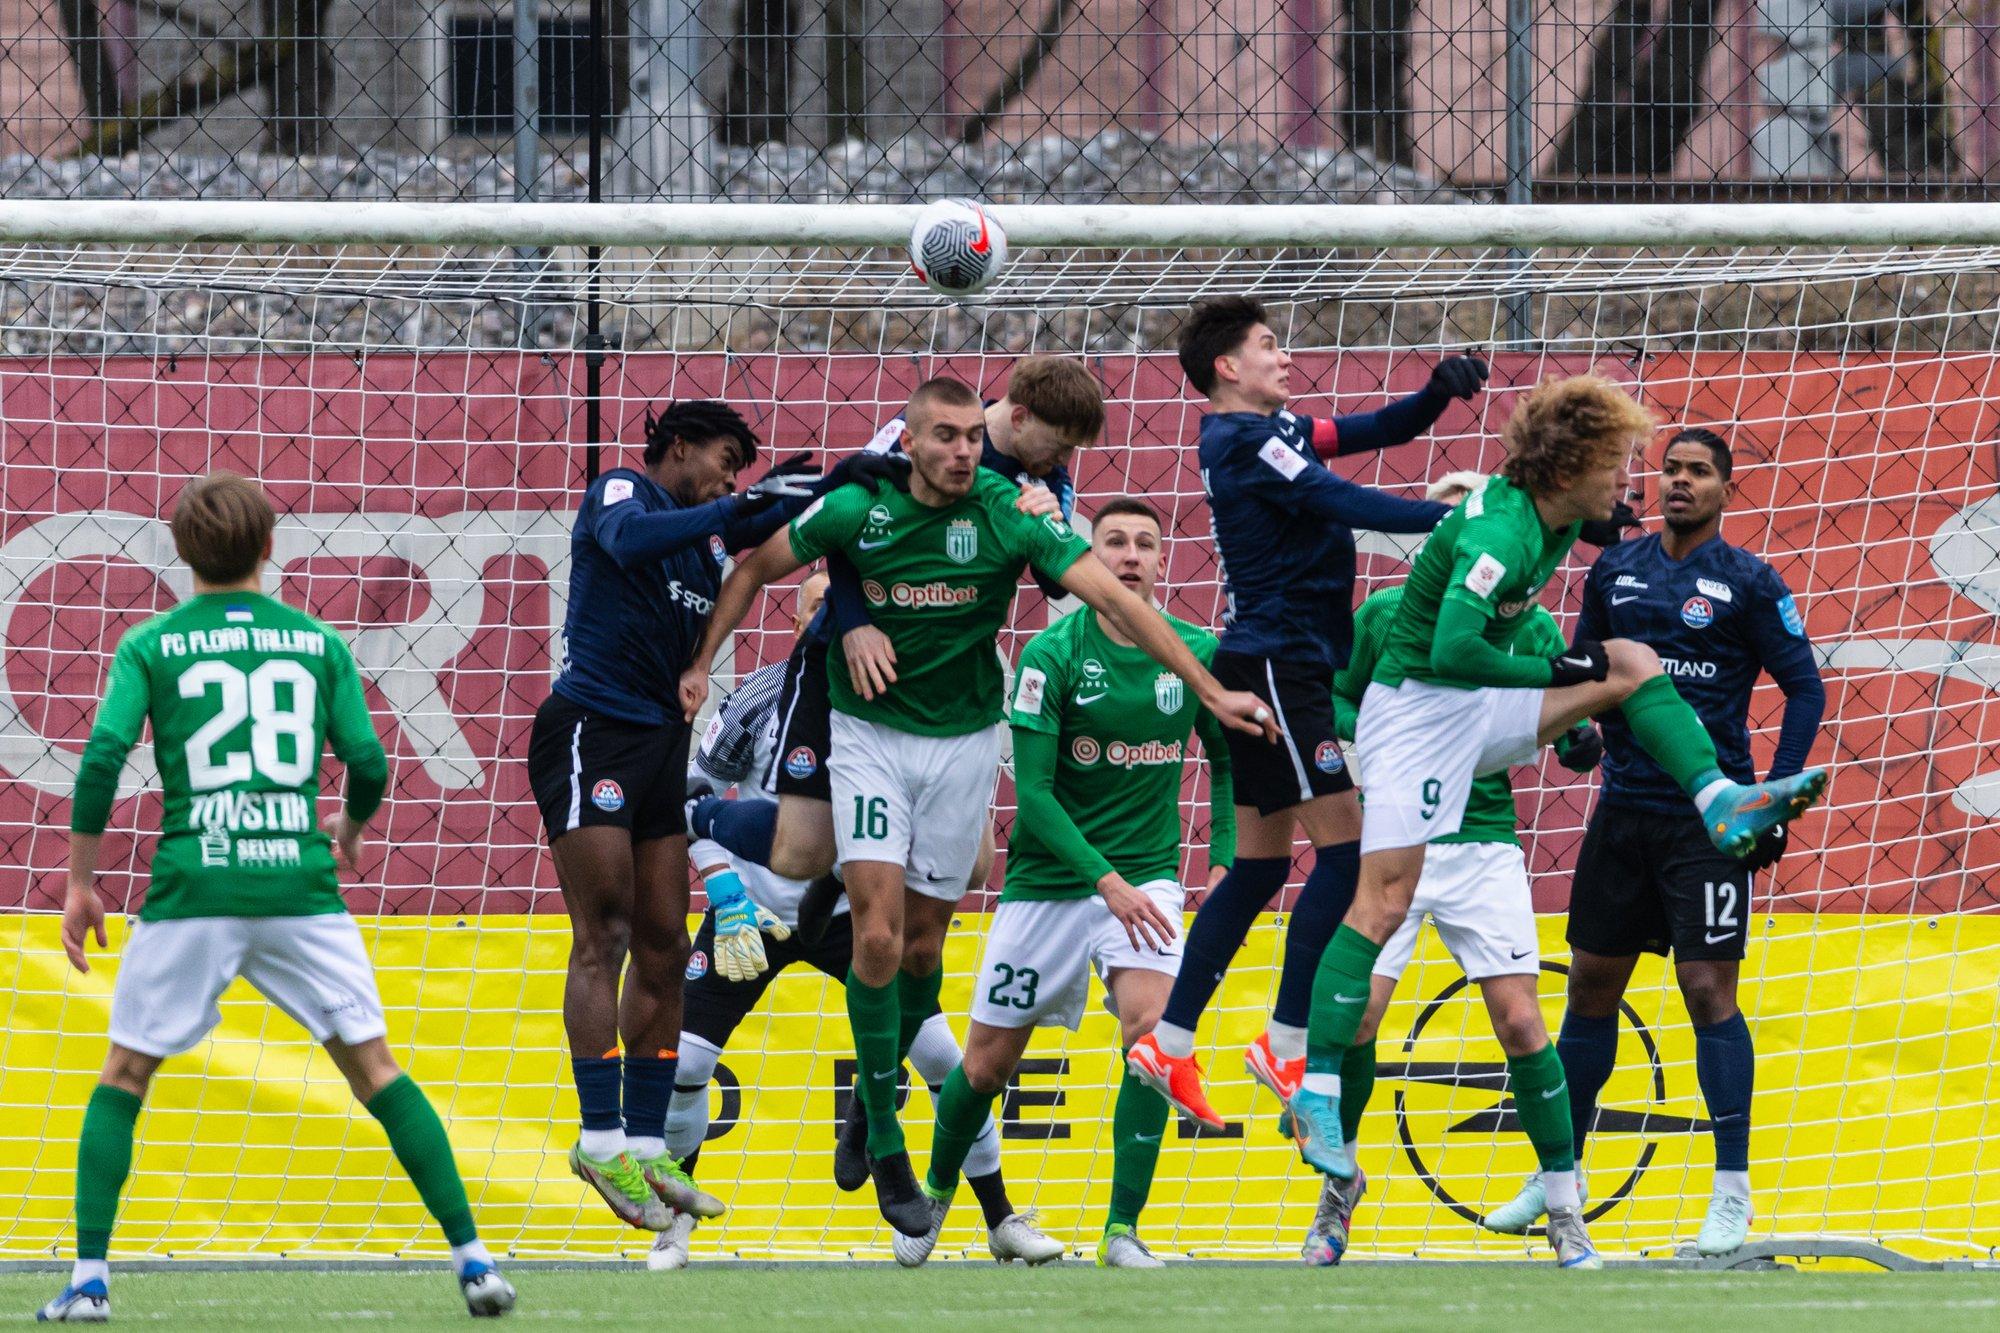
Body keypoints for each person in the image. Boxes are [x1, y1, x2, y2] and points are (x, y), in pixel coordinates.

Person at [678, 377, 1274, 1238]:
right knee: (875, 934)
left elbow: (1106, 597)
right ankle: (887, 1145)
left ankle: (888, 1118)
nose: (961, 452)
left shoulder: (1013, 505)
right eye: (945, 436)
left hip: (961, 743)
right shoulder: (860, 501)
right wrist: (702, 662)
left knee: (922, 946)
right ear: (913, 440)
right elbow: (758, 564)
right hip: (868, 731)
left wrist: (1212, 692)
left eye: (969, 438)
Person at [1291, 375, 1829, 1271]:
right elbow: (1460, 648)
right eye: (1623, 463)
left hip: (1475, 736)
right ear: (1573, 464)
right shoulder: (1500, 533)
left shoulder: (1567, 523)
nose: (1638, 479)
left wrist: (1576, 688)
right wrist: (1565, 668)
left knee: (1628, 662)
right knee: (1380, 904)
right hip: (1426, 714)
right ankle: (1313, 1091)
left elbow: (1590, 573)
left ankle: (1718, 795)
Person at [40, 473, 514, 1321]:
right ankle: (474, 1260)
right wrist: (353, 825)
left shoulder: (151, 644)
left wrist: (80, 880)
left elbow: (105, 756)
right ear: (269, 548)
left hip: (196, 885)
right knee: (375, 1068)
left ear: (180, 555)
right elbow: (367, 762)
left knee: (125, 1072)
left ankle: (88, 1282)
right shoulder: (317, 642)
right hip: (300, 883)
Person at [1125, 295, 1487, 1130]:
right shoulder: (1242, 440)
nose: (1284, 357)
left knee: (1258, 867)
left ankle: (1169, 1042)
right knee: (1349, 853)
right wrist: (1465, 518)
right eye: (1267, 344)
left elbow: (1372, 433)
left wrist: (1435, 395)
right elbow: (1341, 502)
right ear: (1227, 366)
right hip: (1282, 666)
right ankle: (1285, 1037)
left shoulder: (1276, 431)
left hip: (1272, 663)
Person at [1482, 426, 1826, 1256]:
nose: (1679, 482)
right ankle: (1557, 1173)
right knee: (1590, 989)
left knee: (1709, 992)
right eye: (1670, 468)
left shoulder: (1749, 580)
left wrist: (1766, 801)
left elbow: (1806, 690)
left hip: (1703, 825)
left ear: (1724, 490)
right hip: (1622, 811)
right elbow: (1585, 668)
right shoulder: (1615, 567)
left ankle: (1732, 1191)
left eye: (1698, 472)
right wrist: (1578, 737)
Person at [653, 573, 1057, 1270]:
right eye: (816, 608)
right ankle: (675, 1222)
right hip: (751, 910)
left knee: (941, 1057)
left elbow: (967, 855)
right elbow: (691, 788)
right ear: (800, 621)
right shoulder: (760, 697)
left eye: (841, 610)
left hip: (851, 913)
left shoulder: (896, 706)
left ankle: (1000, 1217)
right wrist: (722, 886)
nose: (828, 620)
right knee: (688, 1059)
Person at [915, 496, 1238, 1270]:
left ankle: (1121, 1228)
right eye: (1115, 543)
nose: (1130, 556)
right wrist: (1105, 881)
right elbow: (1034, 799)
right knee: (987, 1065)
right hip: (1050, 883)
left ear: (1163, 560)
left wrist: (1222, 855)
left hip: (1148, 880)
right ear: (1089, 558)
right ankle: (928, 1198)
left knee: (1152, 1039)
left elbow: (1227, 764)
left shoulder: (1194, 650)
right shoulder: (1051, 656)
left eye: (1145, 545)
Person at [524, 400, 820, 1231]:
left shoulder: (708, 535)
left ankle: (647, 1140)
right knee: (606, 932)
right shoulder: (626, 490)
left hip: (661, 740)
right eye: (725, 458)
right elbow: (625, 544)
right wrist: (734, 506)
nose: (733, 476)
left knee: (664, 938)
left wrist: (809, 491)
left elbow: (761, 528)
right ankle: (598, 1136)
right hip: (593, 728)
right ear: (678, 446)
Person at [1297, 472, 1605, 1268]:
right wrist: (1379, 748)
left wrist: (1579, 740)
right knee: (1357, 1018)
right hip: (1400, 838)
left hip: (1482, 845)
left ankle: (1565, 1208)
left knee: (1520, 1021)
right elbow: (1339, 698)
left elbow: (1560, 724)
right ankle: (1339, 1193)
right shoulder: (1383, 615)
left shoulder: (1532, 626)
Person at [685, 356, 1102, 923]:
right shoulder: (926, 435)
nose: (1066, 460)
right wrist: (854, 621)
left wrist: (1048, 507)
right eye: (1063, 446)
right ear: (1023, 418)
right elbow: (846, 517)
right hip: (849, 662)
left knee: (976, 865)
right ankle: (698, 812)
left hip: (939, 685)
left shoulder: (1045, 475)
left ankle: (845, 891)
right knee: (802, 851)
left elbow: (1055, 581)